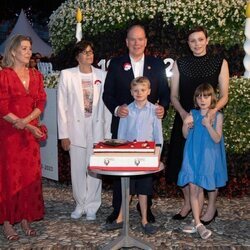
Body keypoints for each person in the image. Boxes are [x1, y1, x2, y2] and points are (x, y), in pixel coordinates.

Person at [103, 24, 170, 224]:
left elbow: (165, 94)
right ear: (126, 42)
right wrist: (116, 109)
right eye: (132, 39)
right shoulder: (116, 63)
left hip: (147, 128)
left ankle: (145, 211)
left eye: (140, 39)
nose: (136, 43)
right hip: (124, 126)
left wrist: (163, 108)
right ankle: (118, 211)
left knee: (146, 173)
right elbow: (107, 94)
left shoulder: (157, 64)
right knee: (121, 171)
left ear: (146, 42)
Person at [167, 26, 229, 224]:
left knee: (210, 165)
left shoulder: (220, 62)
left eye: (200, 39)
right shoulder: (180, 63)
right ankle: (187, 203)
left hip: (208, 120)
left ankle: (211, 207)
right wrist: (184, 114)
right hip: (187, 119)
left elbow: (225, 95)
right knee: (182, 164)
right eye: (192, 40)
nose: (197, 44)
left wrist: (212, 112)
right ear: (188, 43)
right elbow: (173, 96)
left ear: (207, 40)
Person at [57, 40, 111, 221]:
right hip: (75, 129)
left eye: (91, 51)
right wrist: (63, 134)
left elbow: (107, 106)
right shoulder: (67, 75)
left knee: (94, 168)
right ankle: (80, 204)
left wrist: (108, 133)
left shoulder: (102, 75)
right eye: (85, 52)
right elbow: (61, 107)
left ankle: (92, 206)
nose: (89, 55)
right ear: (77, 56)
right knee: (78, 168)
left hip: (97, 128)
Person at [0, 34, 47, 240]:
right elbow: (2, 107)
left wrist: (27, 123)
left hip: (29, 136)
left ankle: (26, 218)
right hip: (9, 135)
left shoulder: (36, 75)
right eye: (24, 48)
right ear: (13, 52)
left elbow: (41, 103)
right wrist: (25, 125)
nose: (29, 52)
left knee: (29, 177)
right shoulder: (4, 75)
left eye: (29, 48)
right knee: (9, 178)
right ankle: (8, 223)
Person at [105, 76, 163, 234]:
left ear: (149, 91)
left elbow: (158, 137)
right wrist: (120, 155)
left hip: (147, 156)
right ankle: (120, 218)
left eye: (143, 90)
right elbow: (121, 136)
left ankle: (144, 220)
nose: (139, 93)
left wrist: (156, 157)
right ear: (131, 92)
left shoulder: (155, 111)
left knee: (144, 190)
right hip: (129, 156)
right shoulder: (127, 111)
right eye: (136, 90)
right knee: (127, 189)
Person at [177, 83, 228, 239]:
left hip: (207, 157)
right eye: (199, 96)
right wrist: (186, 124)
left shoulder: (217, 116)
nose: (202, 99)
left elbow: (217, 138)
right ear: (196, 99)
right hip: (192, 155)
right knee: (193, 188)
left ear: (212, 98)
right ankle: (198, 222)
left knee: (202, 188)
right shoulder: (192, 113)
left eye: (206, 96)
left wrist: (208, 125)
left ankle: (197, 222)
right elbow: (185, 135)